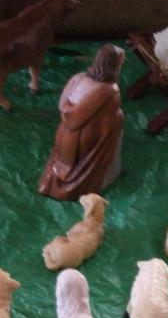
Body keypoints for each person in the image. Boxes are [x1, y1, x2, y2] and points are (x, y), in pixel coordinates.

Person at [39, 45, 125, 201]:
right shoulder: (110, 90)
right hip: (88, 138)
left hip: (65, 133)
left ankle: (52, 182)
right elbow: (110, 116)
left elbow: (62, 105)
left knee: (61, 162)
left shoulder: (78, 78)